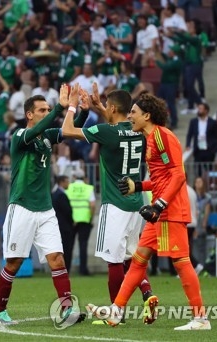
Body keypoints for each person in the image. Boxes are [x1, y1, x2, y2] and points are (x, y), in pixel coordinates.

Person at [88, 93, 211, 330]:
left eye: (133, 112)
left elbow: (178, 175)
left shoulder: (163, 136)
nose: (130, 116)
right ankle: (116, 310)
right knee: (137, 262)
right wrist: (139, 186)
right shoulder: (151, 139)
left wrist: (160, 204)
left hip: (169, 210)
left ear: (146, 115)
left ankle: (201, 318)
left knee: (182, 262)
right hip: (158, 211)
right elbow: (161, 178)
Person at [61, 84, 154, 324]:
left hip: (115, 204)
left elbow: (68, 130)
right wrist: (100, 107)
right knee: (132, 258)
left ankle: (116, 313)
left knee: (114, 261)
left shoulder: (107, 131)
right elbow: (118, 126)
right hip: (136, 204)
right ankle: (147, 293)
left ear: (113, 108)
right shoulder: (139, 130)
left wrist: (72, 105)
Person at [0, 87, 84, 325]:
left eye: (47, 109)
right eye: (41, 110)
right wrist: (61, 108)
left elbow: (70, 129)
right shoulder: (20, 135)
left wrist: (80, 107)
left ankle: (66, 309)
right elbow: (44, 127)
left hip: (45, 209)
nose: (45, 113)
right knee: (14, 262)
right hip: (21, 207)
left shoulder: (46, 136)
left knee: (57, 260)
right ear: (29, 114)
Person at [66, 169, 95, 276]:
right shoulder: (88, 188)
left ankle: (66, 270)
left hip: (71, 220)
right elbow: (92, 205)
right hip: (85, 219)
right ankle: (83, 270)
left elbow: (66, 204)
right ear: (84, 177)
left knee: (69, 246)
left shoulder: (69, 187)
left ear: (74, 177)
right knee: (83, 245)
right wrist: (91, 218)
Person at [51, 175, 74, 271]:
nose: (69, 183)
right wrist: (72, 222)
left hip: (57, 226)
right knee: (66, 250)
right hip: (65, 227)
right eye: (67, 181)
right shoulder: (61, 195)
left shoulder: (54, 194)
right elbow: (67, 211)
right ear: (62, 182)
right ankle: (65, 270)